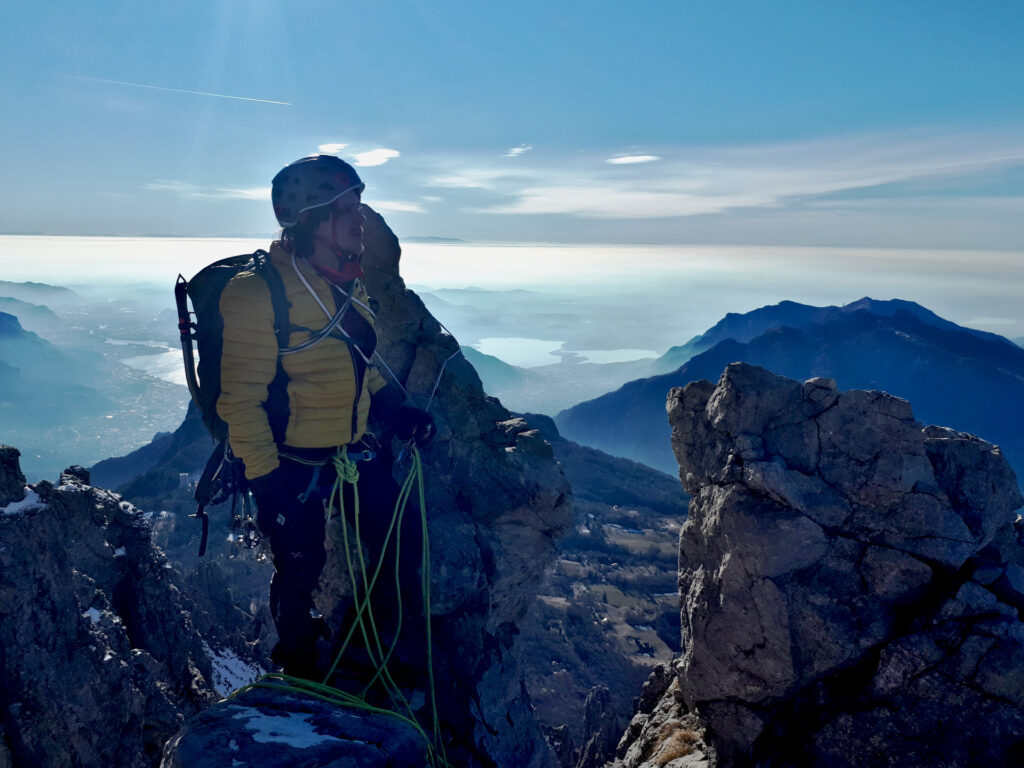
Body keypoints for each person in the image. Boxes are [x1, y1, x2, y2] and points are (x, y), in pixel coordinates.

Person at [217, 154, 433, 680]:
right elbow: (240, 400)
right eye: (348, 209)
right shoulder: (257, 293)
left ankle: (384, 648)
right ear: (313, 220)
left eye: (359, 206)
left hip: (352, 449)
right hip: (291, 461)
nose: (361, 219)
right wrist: (267, 485)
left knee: (400, 540)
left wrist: (392, 409)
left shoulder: (343, 281)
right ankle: (299, 665)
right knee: (299, 565)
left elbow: (356, 362)